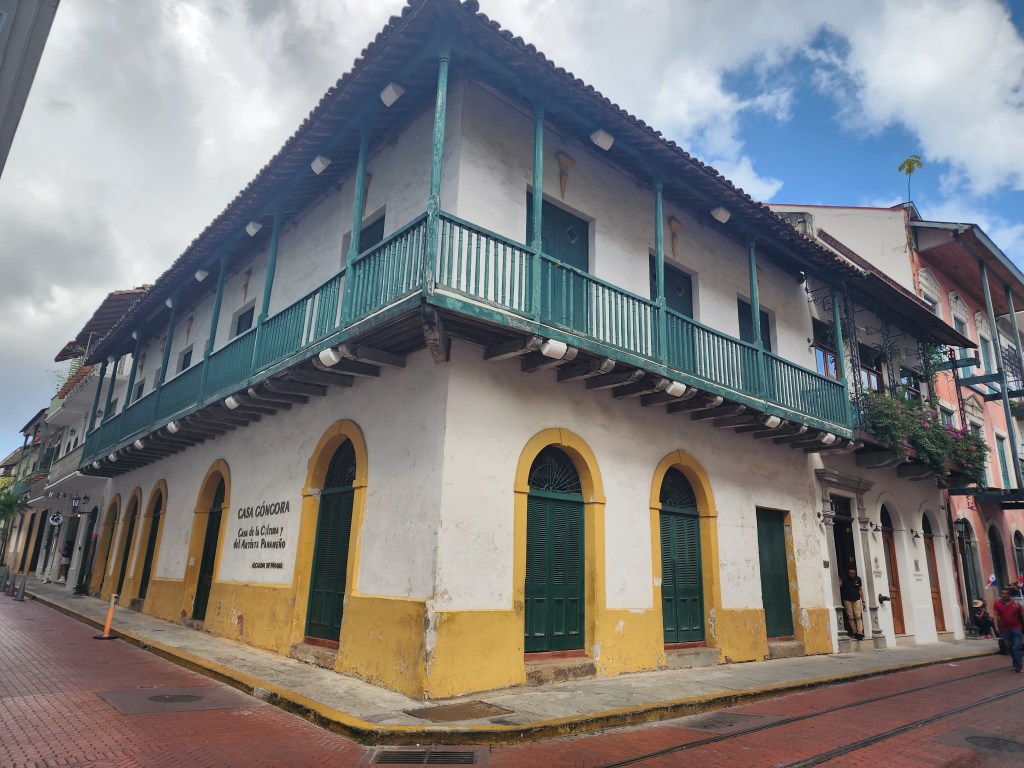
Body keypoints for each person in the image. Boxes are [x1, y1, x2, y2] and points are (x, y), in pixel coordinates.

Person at [992, 587, 1024, 672]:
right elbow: (995, 615)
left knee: (1017, 646)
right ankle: (1016, 661)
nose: (1003, 595)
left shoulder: (1016, 604)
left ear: (1009, 595)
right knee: (1009, 646)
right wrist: (996, 626)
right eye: (1002, 593)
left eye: (1005, 594)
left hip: (1017, 628)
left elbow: (1022, 614)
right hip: (1005, 629)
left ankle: (1019, 666)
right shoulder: (997, 603)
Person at [839, 566, 864, 640]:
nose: (851, 574)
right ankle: (855, 632)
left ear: (855, 572)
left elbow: (860, 590)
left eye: (853, 573)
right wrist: (840, 581)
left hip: (856, 599)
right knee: (850, 616)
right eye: (850, 573)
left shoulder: (858, 579)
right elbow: (839, 586)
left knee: (858, 615)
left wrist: (863, 600)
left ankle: (860, 632)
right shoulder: (844, 578)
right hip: (847, 599)